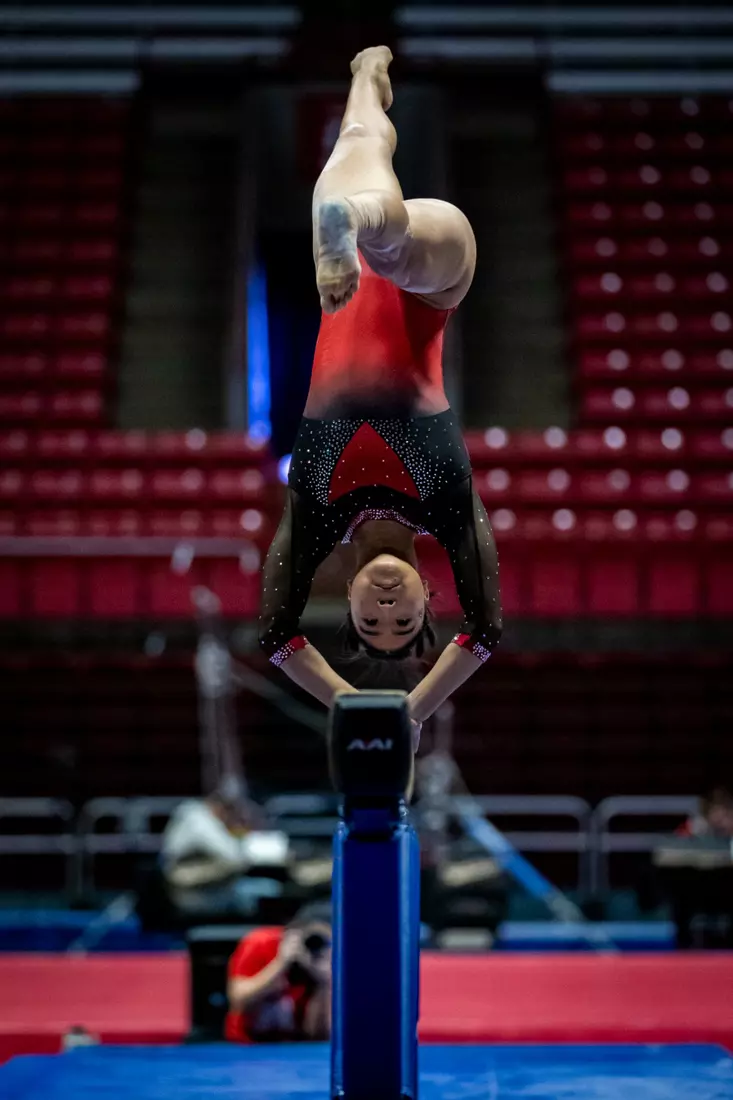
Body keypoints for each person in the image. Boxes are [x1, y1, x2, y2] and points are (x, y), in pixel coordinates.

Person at [259, 45, 502, 732]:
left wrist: (345, 704)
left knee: (360, 139)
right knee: (393, 247)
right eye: (404, 618)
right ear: (429, 596)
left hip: (359, 237)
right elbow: (484, 631)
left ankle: (366, 75)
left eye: (371, 619)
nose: (386, 605)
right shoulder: (443, 501)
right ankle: (356, 230)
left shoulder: (315, 506)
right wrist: (409, 716)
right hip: (435, 276)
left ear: (348, 597)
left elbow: (276, 637)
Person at [161, 780, 289, 920]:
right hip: (192, 895)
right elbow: (233, 856)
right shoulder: (198, 819)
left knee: (266, 886)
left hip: (205, 887)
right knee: (269, 889)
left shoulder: (194, 812)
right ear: (221, 806)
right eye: (231, 810)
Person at [225, 901, 332, 1043]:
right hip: (247, 1045)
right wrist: (281, 963)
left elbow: (321, 1034)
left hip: (299, 1049)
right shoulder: (261, 942)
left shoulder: (334, 958)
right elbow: (238, 1001)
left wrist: (325, 983)